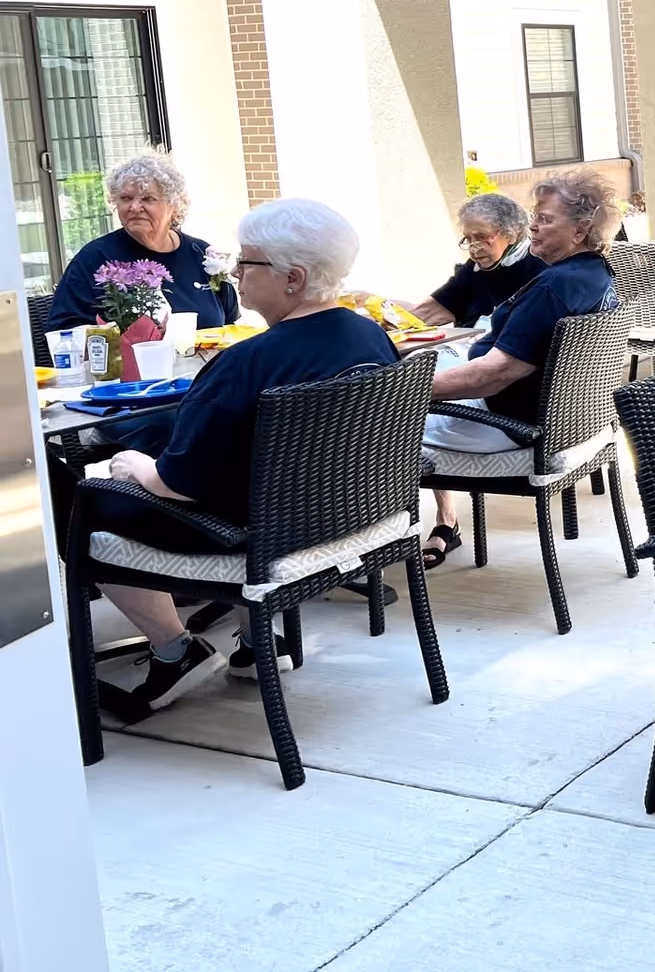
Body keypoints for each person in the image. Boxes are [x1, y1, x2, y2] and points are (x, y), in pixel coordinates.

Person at [79, 199, 397, 704]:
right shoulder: (371, 336)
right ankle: (257, 641)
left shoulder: (247, 361)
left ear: (292, 278)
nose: (236, 275)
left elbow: (178, 485)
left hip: (256, 537)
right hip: (336, 516)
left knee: (83, 500)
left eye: (246, 262)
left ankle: (173, 649)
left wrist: (136, 468)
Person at [419, 169, 620, 568]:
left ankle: (357, 542)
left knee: (365, 428)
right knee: (431, 363)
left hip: (506, 426)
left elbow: (493, 374)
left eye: (544, 219)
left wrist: (401, 395)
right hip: (563, 420)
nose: (532, 226)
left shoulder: (552, 288)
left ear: (580, 230)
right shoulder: (595, 274)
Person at [48, 148, 241, 332]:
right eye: (125, 198)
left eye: (148, 199)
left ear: (174, 205)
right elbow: (64, 330)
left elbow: (231, 324)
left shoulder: (203, 255)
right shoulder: (96, 259)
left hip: (209, 364)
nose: (134, 207)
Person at [409, 192, 542, 327]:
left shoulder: (539, 269)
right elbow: (434, 309)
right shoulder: (475, 267)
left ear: (512, 233)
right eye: (468, 239)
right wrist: (393, 316)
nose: (473, 249)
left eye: (482, 237)